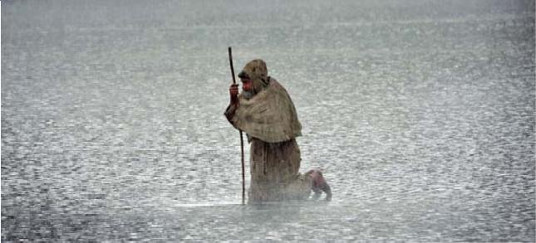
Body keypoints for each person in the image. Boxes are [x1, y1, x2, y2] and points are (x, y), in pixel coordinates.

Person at [224, 59, 332, 203]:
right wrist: (233, 100)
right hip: (260, 151)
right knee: (258, 198)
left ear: (258, 80)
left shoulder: (275, 95)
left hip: (281, 151)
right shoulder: (246, 98)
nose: (245, 87)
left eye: (247, 82)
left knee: (285, 193)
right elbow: (240, 118)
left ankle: (312, 178)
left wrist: (241, 113)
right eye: (243, 83)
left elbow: (270, 123)